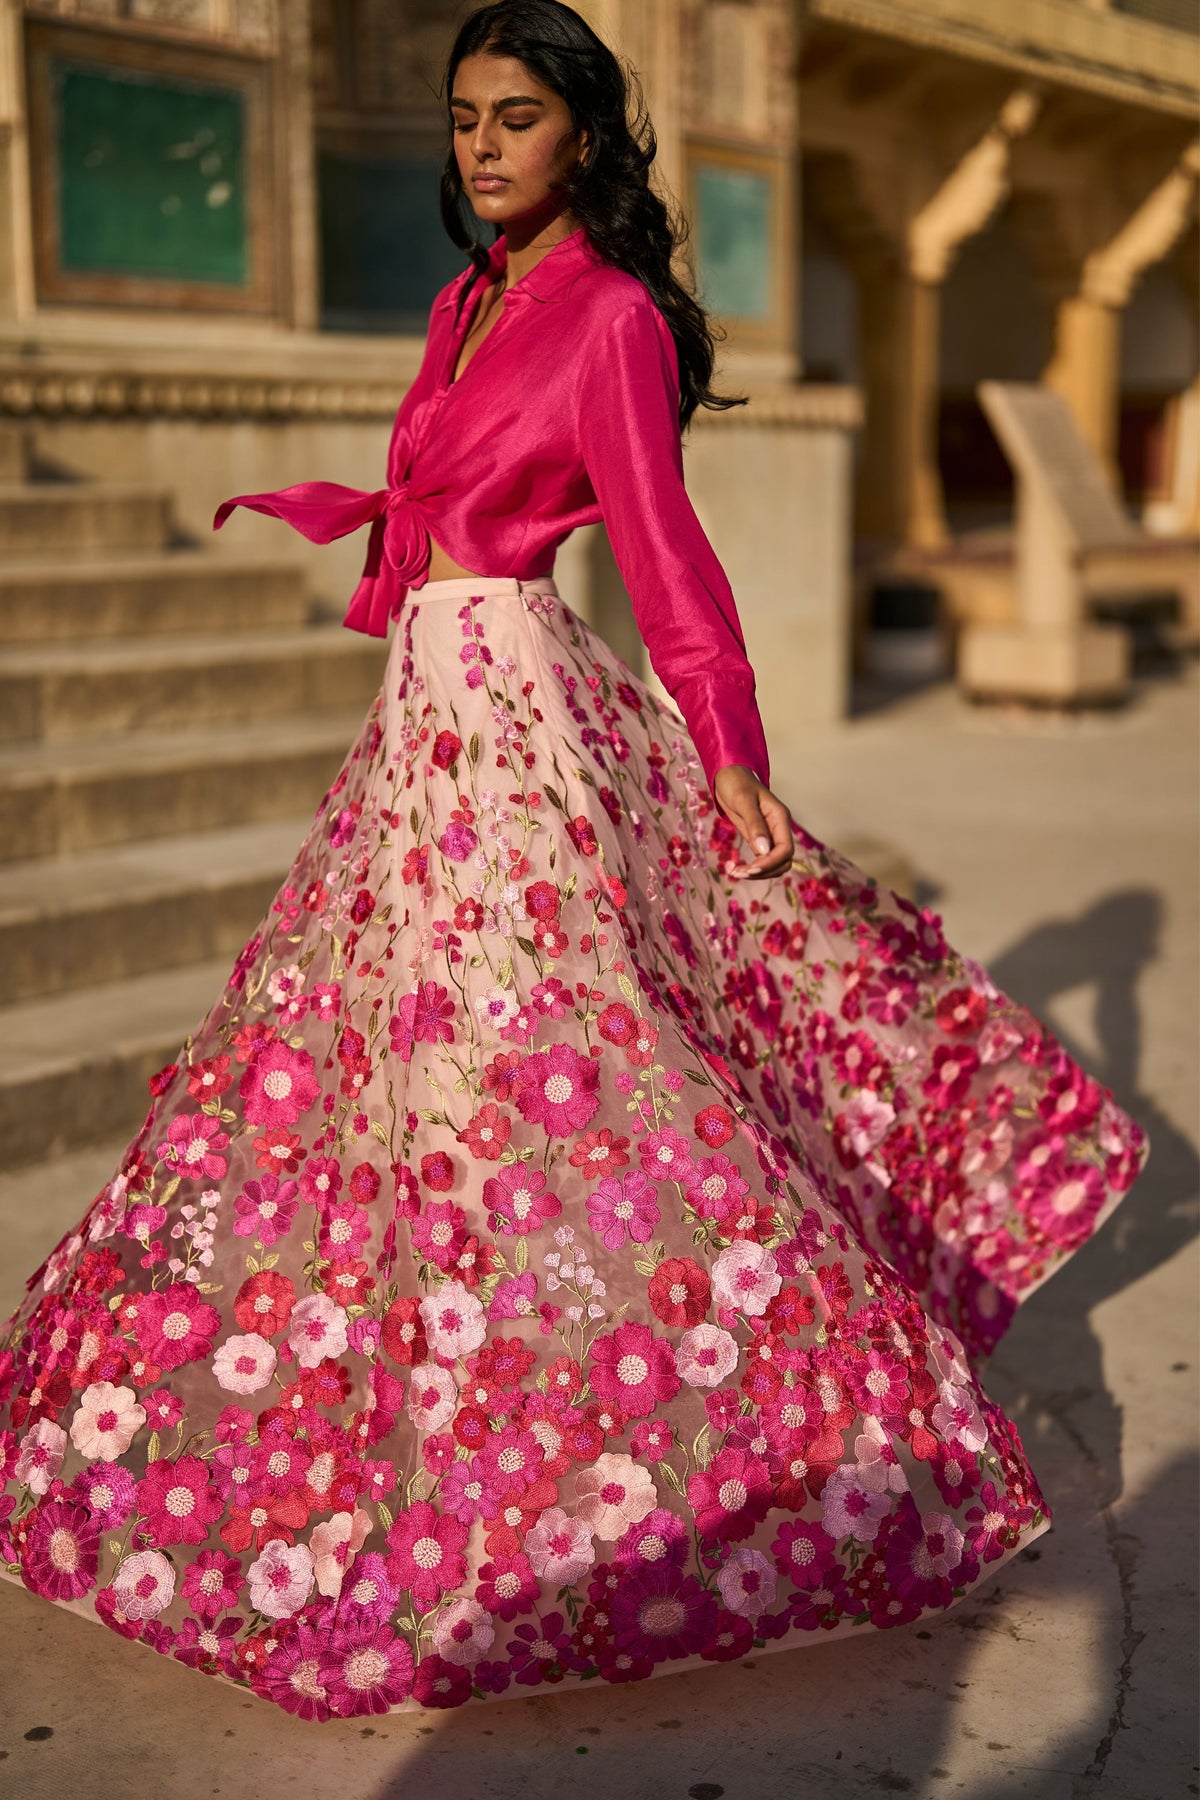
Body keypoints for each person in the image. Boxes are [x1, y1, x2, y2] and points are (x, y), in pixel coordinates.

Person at [0, 0, 1147, 1724]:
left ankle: (663, 1460)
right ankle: (440, 1443)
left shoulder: (607, 317)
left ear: (587, 137)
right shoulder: (467, 299)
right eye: (464, 115)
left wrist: (732, 748)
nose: (478, 144)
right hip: (424, 719)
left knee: (562, 1072)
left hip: (518, 717)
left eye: (514, 115)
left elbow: (670, 553)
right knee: (380, 1090)